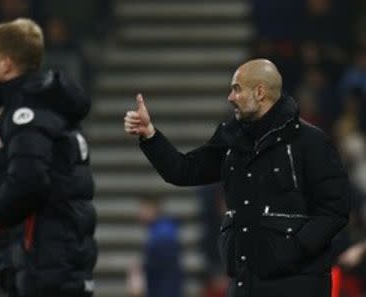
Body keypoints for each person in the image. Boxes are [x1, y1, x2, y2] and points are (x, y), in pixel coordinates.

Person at [124, 59, 350, 297]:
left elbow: (334, 209)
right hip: (245, 283)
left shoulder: (310, 142)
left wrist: (291, 250)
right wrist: (150, 135)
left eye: (237, 88)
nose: (230, 97)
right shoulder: (232, 140)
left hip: (298, 286)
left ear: (260, 92)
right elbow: (183, 170)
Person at [0, 18, 96, 297]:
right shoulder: (44, 104)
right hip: (51, 261)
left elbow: (29, 180)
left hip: (45, 265)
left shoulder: (27, 111)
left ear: (7, 63)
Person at [127, 195, 183, 297]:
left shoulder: (163, 233)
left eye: (143, 209)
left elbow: (161, 266)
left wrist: (141, 268)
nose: (140, 214)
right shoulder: (159, 230)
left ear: (153, 209)